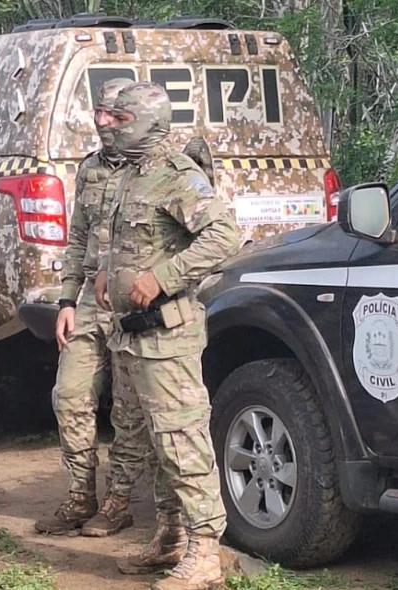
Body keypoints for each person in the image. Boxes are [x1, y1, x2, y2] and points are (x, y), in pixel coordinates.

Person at [95, 82, 239, 590]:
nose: (107, 123)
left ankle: (205, 550)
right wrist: (107, 272)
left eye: (120, 116)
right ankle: (172, 536)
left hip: (167, 337)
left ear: (151, 123)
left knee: (182, 437)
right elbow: (138, 240)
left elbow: (225, 236)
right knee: (158, 443)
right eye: (108, 114)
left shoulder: (177, 175)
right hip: (133, 336)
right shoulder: (132, 175)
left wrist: (162, 278)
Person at [34, 77, 153, 538]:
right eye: (98, 113)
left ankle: (119, 501)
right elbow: (78, 237)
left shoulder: (153, 170)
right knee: (69, 395)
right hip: (88, 302)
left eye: (112, 114)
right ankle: (80, 495)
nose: (102, 121)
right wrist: (66, 299)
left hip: (130, 306)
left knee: (127, 410)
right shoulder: (90, 170)